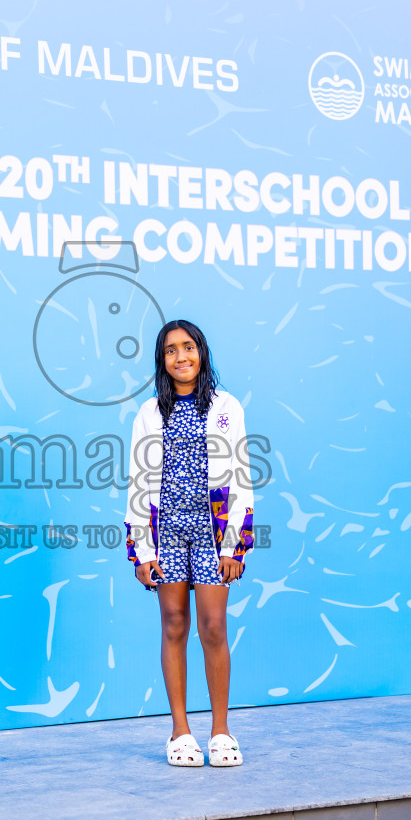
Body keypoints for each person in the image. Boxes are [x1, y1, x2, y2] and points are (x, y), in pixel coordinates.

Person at [124, 320, 253, 767]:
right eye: (170, 351)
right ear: (162, 361)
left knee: (213, 627)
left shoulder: (225, 407)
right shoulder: (149, 413)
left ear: (201, 352)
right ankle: (180, 732)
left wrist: (233, 545)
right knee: (174, 624)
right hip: (167, 532)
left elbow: (240, 474)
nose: (181, 357)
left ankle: (221, 732)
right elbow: (138, 482)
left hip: (212, 531)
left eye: (188, 347)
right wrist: (141, 549)